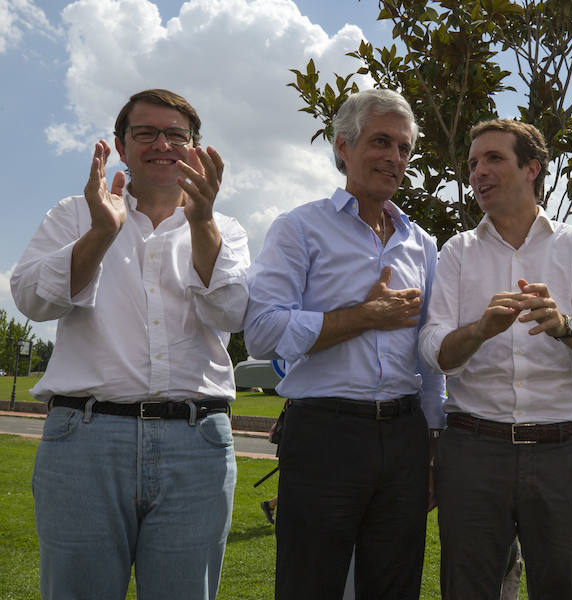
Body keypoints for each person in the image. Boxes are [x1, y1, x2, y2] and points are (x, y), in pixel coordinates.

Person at [11, 89, 250, 600]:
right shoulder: (76, 214)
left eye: (176, 135)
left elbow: (232, 312)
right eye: (146, 133)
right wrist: (101, 232)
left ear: (195, 149)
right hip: (85, 440)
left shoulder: (225, 227)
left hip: (197, 444)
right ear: (121, 147)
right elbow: (32, 300)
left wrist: (202, 221)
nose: (162, 144)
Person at [243, 88, 445, 600]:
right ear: (343, 148)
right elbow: (263, 332)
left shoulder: (421, 244)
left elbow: (429, 356)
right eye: (381, 142)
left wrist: (432, 442)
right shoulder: (299, 228)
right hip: (324, 434)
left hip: (404, 436)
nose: (394, 157)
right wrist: (363, 317)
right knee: (310, 583)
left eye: (404, 148)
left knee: (395, 584)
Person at [419, 119, 572, 600]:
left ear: (532, 168)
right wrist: (478, 331)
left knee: (562, 588)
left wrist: (566, 326)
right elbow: (431, 350)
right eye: (472, 163)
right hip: (474, 449)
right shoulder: (457, 251)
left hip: (560, 452)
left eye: (493, 159)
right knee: (466, 589)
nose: (478, 173)